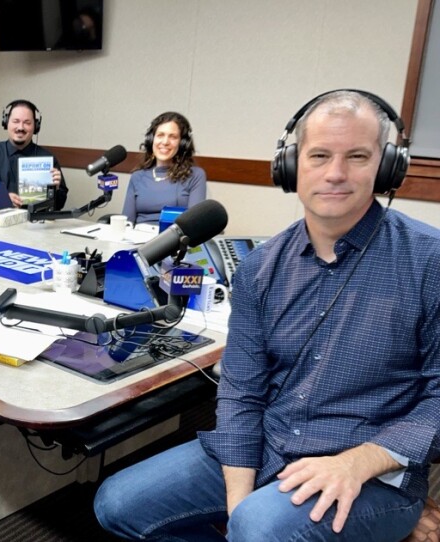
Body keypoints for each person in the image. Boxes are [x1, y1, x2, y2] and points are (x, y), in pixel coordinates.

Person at [93, 90, 438, 540]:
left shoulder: (429, 261)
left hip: (370, 468)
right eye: (319, 155)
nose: (335, 173)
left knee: (261, 527)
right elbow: (241, 391)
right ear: (291, 166)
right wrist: (240, 505)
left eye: (357, 156)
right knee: (117, 503)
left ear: (388, 166)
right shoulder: (261, 268)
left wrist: (362, 460)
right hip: (272, 443)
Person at [0, 99, 68, 209]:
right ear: (6, 123)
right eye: (16, 121)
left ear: (36, 127)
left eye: (27, 123)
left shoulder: (48, 159)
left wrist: (55, 190)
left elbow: (59, 205)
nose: (20, 127)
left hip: (35, 224)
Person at [121, 111, 206, 225]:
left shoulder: (195, 175)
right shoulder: (137, 177)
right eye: (160, 135)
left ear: (182, 143)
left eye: (173, 137)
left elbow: (194, 224)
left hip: (174, 240)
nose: (165, 142)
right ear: (152, 140)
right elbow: (126, 223)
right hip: (138, 240)